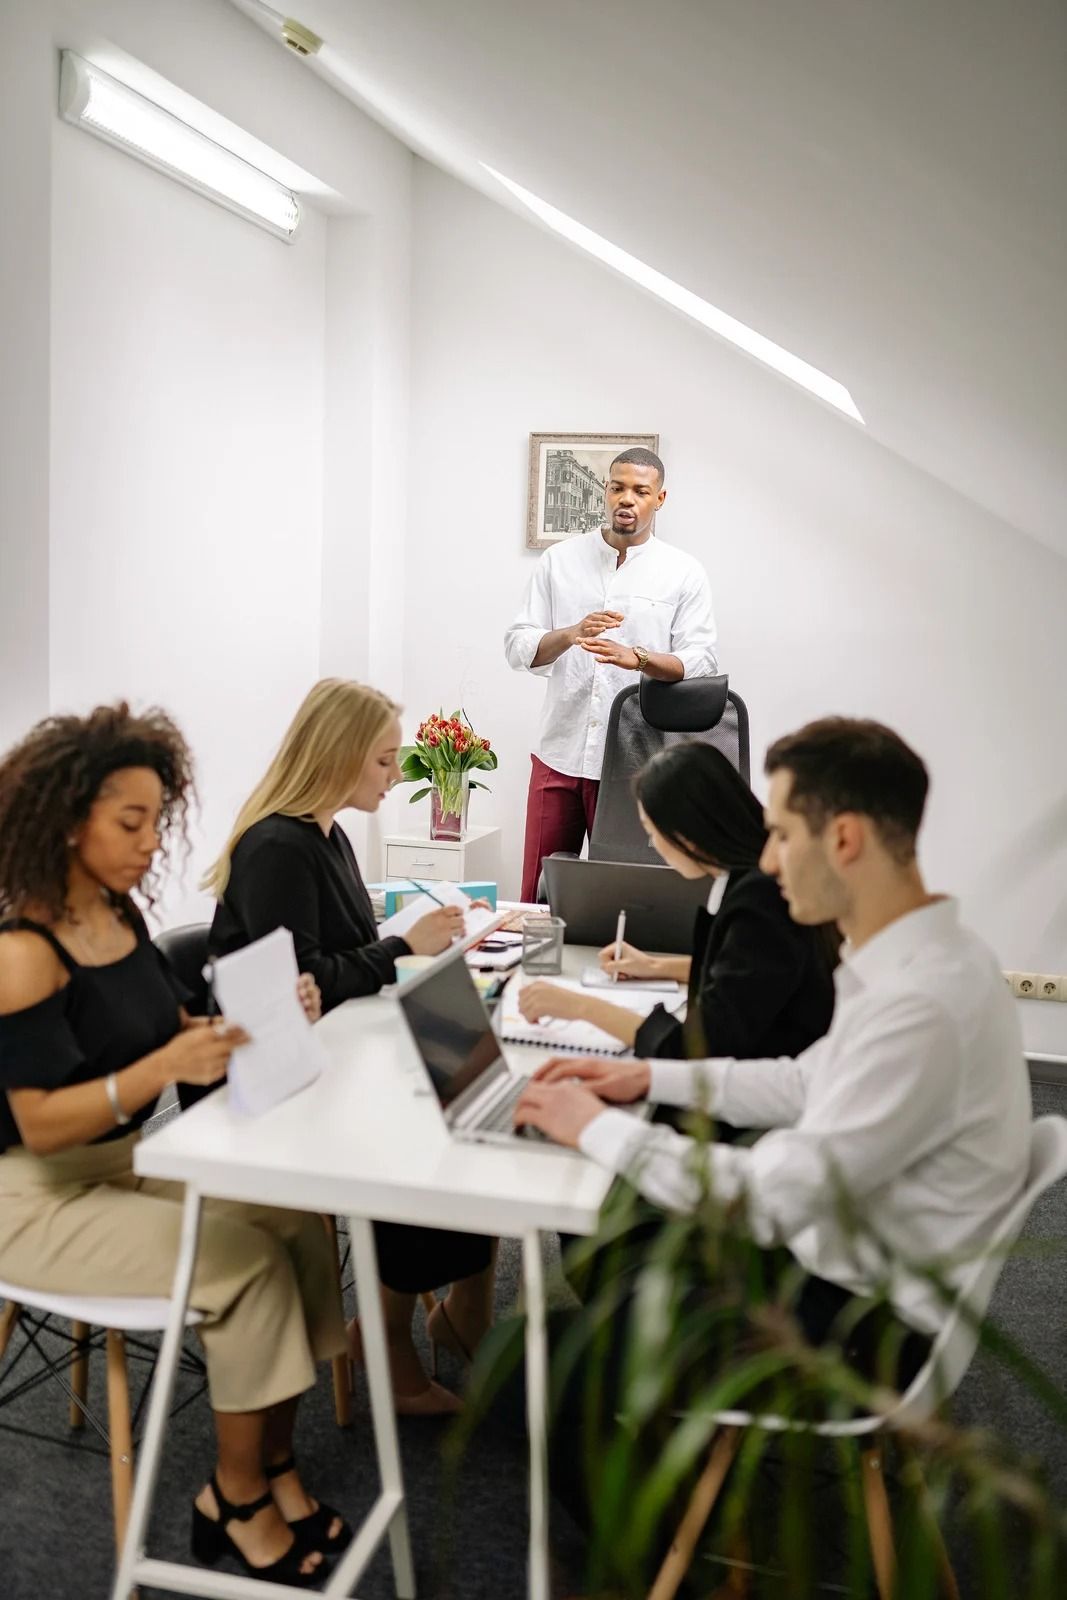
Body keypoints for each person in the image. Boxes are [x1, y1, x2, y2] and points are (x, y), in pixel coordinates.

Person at [499, 717, 1032, 1584]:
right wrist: (647, 1085)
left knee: (562, 1352)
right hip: (866, 1265)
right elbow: (795, 1082)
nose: (770, 860)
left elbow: (767, 1196)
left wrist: (590, 1127)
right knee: (618, 1276)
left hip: (861, 1321)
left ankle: (633, 1559)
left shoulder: (917, 1007)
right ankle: (668, 1467)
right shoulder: (923, 967)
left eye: (780, 833)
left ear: (844, 839)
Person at [0, 704, 348, 1587]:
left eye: (158, 819)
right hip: (37, 1197)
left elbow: (171, 1022)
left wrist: (251, 1019)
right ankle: (231, 1500)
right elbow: (39, 1121)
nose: (153, 841)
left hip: (120, 1170)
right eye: (132, 822)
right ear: (67, 822)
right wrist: (164, 1064)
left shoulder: (117, 919)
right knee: (244, 1265)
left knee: (300, 1223)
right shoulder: (23, 951)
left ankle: (272, 1467)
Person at [204, 679, 495, 1414]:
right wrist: (402, 944)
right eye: (383, 762)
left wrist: (402, 947)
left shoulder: (324, 834)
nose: (395, 777)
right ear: (336, 757)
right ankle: (394, 1345)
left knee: (465, 1087)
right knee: (420, 1132)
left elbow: (339, 961)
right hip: (267, 1075)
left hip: (321, 1047)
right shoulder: (278, 846)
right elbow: (304, 982)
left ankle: (455, 1308)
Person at [517, 740, 836, 1061]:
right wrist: (654, 966)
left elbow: (695, 1046)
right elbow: (743, 975)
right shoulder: (745, 882)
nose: (653, 845)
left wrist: (579, 1006)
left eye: (651, 831)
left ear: (686, 830)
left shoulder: (759, 901)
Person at [504, 447, 718, 903]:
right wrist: (571, 633)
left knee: (624, 898)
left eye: (641, 491)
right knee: (538, 894)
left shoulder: (683, 572)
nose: (627, 499)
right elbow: (518, 645)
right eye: (617, 487)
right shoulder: (560, 561)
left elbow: (701, 660)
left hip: (632, 763)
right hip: (557, 755)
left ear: (660, 499)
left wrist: (637, 659)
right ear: (606, 491)